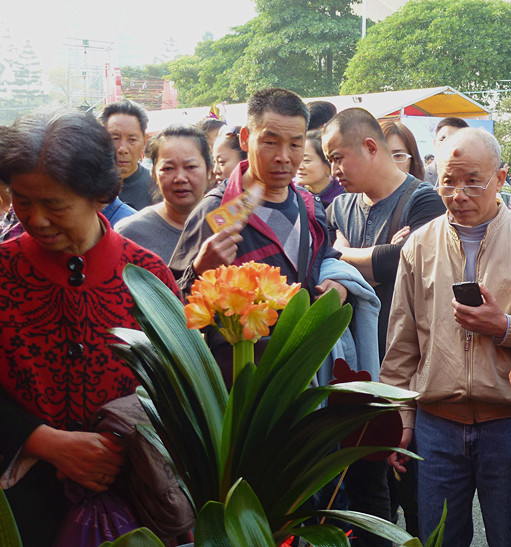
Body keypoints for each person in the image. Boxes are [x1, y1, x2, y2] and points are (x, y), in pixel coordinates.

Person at [0, 108, 180, 547]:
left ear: (101, 194)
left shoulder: (149, 276)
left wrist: (118, 445)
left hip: (131, 504)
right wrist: (43, 440)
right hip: (16, 511)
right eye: (21, 200)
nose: (35, 219)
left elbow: (178, 387)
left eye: (54, 204)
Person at [380, 127, 511, 547]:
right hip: (436, 424)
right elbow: (402, 341)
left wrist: (505, 327)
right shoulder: (419, 245)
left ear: (501, 177)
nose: (457, 195)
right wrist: (399, 415)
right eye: (447, 181)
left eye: (472, 182)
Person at [169, 88, 343, 379]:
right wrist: (200, 269)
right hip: (236, 381)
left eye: (295, 145)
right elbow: (170, 302)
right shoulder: (217, 210)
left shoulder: (310, 206)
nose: (284, 157)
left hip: (301, 372)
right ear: (245, 138)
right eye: (270, 143)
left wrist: (338, 283)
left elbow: (326, 259)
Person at [322, 107, 445, 359]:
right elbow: (320, 259)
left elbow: (396, 262)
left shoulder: (425, 201)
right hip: (348, 356)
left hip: (406, 358)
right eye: (329, 161)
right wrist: (374, 257)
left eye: (337, 158)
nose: (333, 171)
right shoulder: (339, 208)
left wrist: (341, 253)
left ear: (370, 147)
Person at [115, 124, 212, 262]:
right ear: (154, 174)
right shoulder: (129, 234)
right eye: (168, 168)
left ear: (209, 170)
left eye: (191, 167)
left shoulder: (229, 226)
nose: (180, 178)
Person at [98, 99, 154, 211]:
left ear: (144, 142)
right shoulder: (86, 186)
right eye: (115, 138)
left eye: (132, 139)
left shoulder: (157, 188)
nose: (122, 149)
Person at [296, 130, 344, 209]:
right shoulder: (290, 195)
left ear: (328, 166)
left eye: (306, 160)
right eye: (297, 158)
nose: (299, 166)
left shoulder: (344, 197)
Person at [423, 117, 469, 185]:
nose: (448, 144)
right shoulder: (420, 175)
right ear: (435, 143)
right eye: (443, 139)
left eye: (456, 140)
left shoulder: (474, 178)